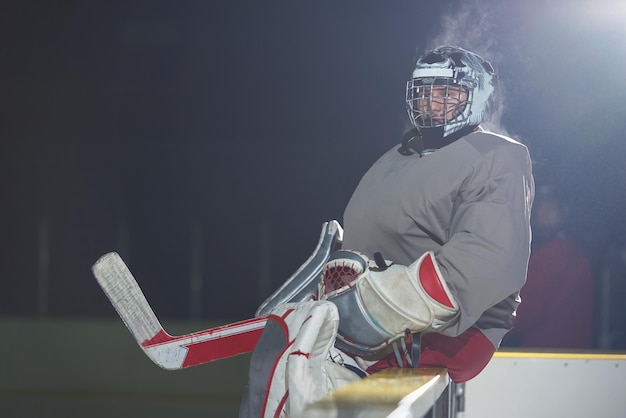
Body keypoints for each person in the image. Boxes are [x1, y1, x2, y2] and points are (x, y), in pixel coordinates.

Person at [240, 45, 534, 417]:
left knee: (297, 368)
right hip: (376, 326)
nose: (432, 103)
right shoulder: (396, 157)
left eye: (447, 92)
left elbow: (488, 256)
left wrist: (379, 306)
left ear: (478, 97)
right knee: (279, 367)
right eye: (424, 92)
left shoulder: (496, 155)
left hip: (445, 332)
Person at [502, 185, 594, 349]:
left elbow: (523, 313)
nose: (542, 214)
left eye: (550, 207)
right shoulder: (570, 251)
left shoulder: (555, 253)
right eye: (540, 207)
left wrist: (483, 330)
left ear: (564, 212)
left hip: (546, 356)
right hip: (567, 355)